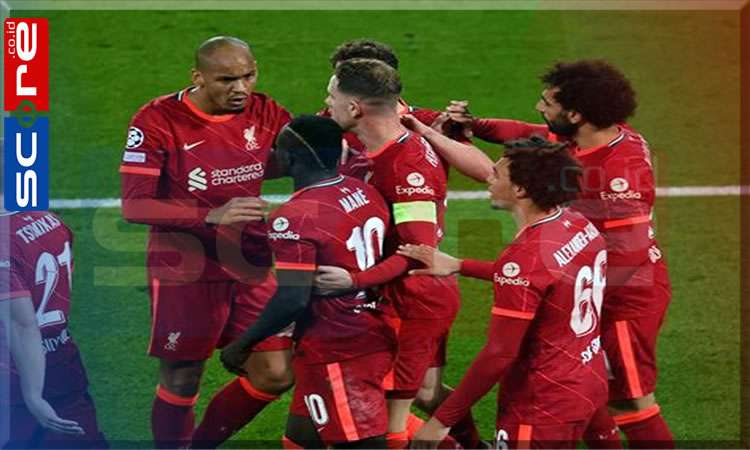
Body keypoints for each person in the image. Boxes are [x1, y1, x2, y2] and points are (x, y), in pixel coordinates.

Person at [421, 60, 673, 449]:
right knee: (590, 390)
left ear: (575, 115)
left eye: (548, 103)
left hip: (627, 299)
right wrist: (477, 126)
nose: (539, 107)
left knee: (632, 402)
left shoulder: (619, 173)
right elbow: (529, 133)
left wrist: (561, 292)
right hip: (592, 280)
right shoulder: (593, 137)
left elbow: (629, 258)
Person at [119, 36, 294, 448]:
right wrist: (210, 215)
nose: (241, 88)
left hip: (250, 260)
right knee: (183, 376)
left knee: (275, 372)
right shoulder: (157, 119)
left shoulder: (265, 111)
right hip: (185, 266)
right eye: (227, 80)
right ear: (198, 77)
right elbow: (135, 205)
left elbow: (306, 152)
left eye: (248, 76)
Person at [402, 138, 609, 449]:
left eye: (497, 174)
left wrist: (440, 421)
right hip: (588, 376)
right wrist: (460, 265)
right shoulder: (578, 224)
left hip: (542, 400)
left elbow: (499, 353)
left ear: (520, 190)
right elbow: (547, 279)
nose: (488, 177)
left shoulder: (526, 257)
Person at [315, 58, 465, 449]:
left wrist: (354, 280)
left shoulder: (405, 166)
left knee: (385, 417)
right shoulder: (382, 149)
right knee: (398, 403)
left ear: (354, 107)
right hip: (402, 296)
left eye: (331, 96)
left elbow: (420, 253)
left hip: (411, 301)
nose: (326, 103)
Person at [220, 115, 396, 449]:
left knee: (360, 443)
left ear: (290, 158)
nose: (272, 154)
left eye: (278, 148)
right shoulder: (363, 190)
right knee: (300, 437)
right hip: (368, 326)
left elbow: (293, 298)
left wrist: (243, 344)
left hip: (337, 344)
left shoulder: (295, 216)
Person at [0, 200, 107, 448]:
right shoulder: (48, 218)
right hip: (62, 363)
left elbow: (21, 324)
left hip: (14, 379)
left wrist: (33, 395)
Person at [324, 40, 478, 185]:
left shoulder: (432, 123)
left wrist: (431, 136)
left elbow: (485, 172)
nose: (337, 85)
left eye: (346, 78)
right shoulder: (327, 122)